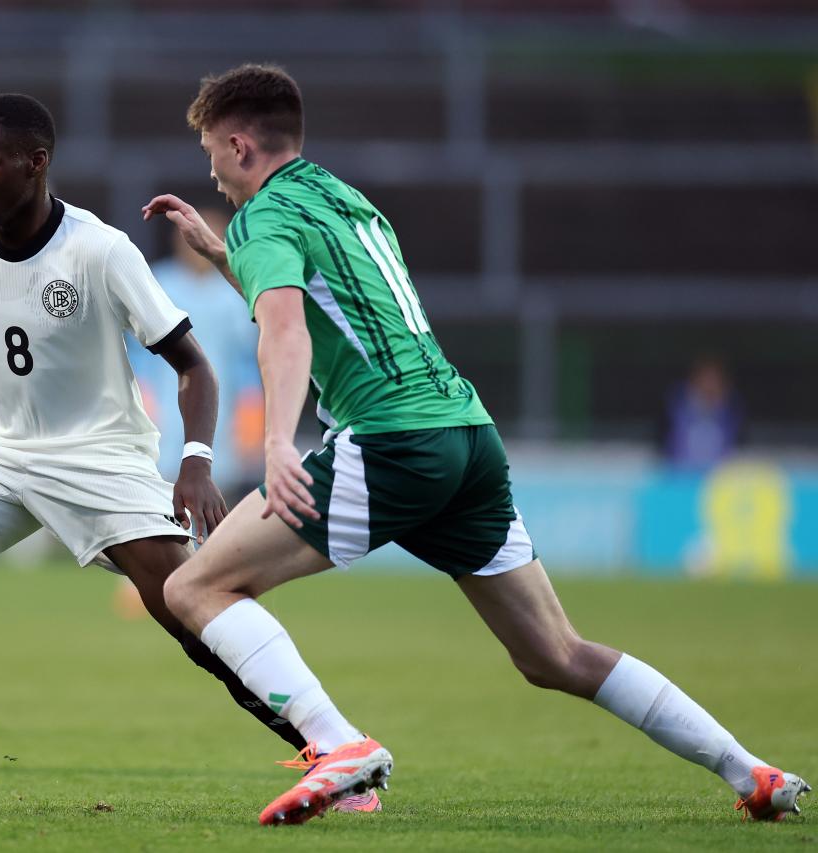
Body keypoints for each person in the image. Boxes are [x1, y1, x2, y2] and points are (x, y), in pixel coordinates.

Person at [142, 64, 809, 826]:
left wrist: (279, 443)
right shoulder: (346, 200)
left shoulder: (265, 215)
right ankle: (751, 770)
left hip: (392, 439)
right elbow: (321, 308)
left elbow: (288, 333)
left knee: (195, 588)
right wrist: (222, 255)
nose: (212, 175)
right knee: (555, 653)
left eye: (211, 155)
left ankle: (336, 744)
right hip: (467, 436)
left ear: (239, 146)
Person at [0, 93, 316, 786]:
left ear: (36, 163)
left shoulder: (99, 250)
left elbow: (193, 366)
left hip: (99, 461)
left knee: (194, 614)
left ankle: (328, 746)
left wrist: (195, 461)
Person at [127, 207, 262, 491]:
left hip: (221, 416)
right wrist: (141, 399)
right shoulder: (159, 283)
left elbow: (245, 362)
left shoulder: (236, 292)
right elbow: (138, 354)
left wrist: (250, 412)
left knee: (213, 492)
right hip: (162, 411)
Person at [663, 357, 743, 470]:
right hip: (680, 474)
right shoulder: (678, 406)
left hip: (718, 475)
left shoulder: (731, 412)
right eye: (705, 379)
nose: (709, 385)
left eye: (715, 380)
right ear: (693, 381)